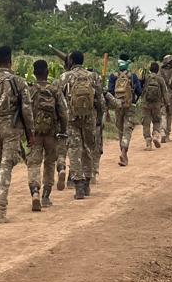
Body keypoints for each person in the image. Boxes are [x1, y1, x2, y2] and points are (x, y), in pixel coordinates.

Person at [0, 45, 34, 223]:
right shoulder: (19, 82)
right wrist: (30, 134)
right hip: (12, 129)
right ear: (11, 61)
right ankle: (0, 209)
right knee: (6, 168)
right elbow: (27, 111)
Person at [27, 59, 68, 210]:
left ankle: (34, 192)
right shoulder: (54, 90)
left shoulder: (29, 90)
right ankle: (46, 196)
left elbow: (25, 112)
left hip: (35, 134)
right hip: (52, 133)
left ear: (34, 72)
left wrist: (26, 132)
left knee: (34, 164)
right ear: (47, 72)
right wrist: (63, 130)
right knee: (50, 163)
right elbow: (63, 113)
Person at [60, 51, 99, 198]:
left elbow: (59, 99)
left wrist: (60, 119)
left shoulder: (65, 77)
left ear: (70, 61)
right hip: (89, 118)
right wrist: (100, 116)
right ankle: (87, 182)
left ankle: (78, 185)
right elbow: (99, 98)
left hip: (72, 119)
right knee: (88, 149)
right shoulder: (92, 76)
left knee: (74, 150)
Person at [108, 55, 143, 166]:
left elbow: (110, 92)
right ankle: (124, 152)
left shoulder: (113, 76)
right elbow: (139, 92)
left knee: (120, 130)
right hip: (130, 107)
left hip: (118, 107)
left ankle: (122, 153)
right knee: (127, 130)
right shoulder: (132, 76)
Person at [141, 61, 169, 149]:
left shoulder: (146, 78)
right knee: (156, 121)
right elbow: (165, 92)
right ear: (157, 70)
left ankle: (148, 143)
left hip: (146, 104)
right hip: (157, 104)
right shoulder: (160, 79)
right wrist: (167, 104)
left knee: (146, 123)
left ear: (150, 69)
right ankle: (156, 135)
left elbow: (140, 88)